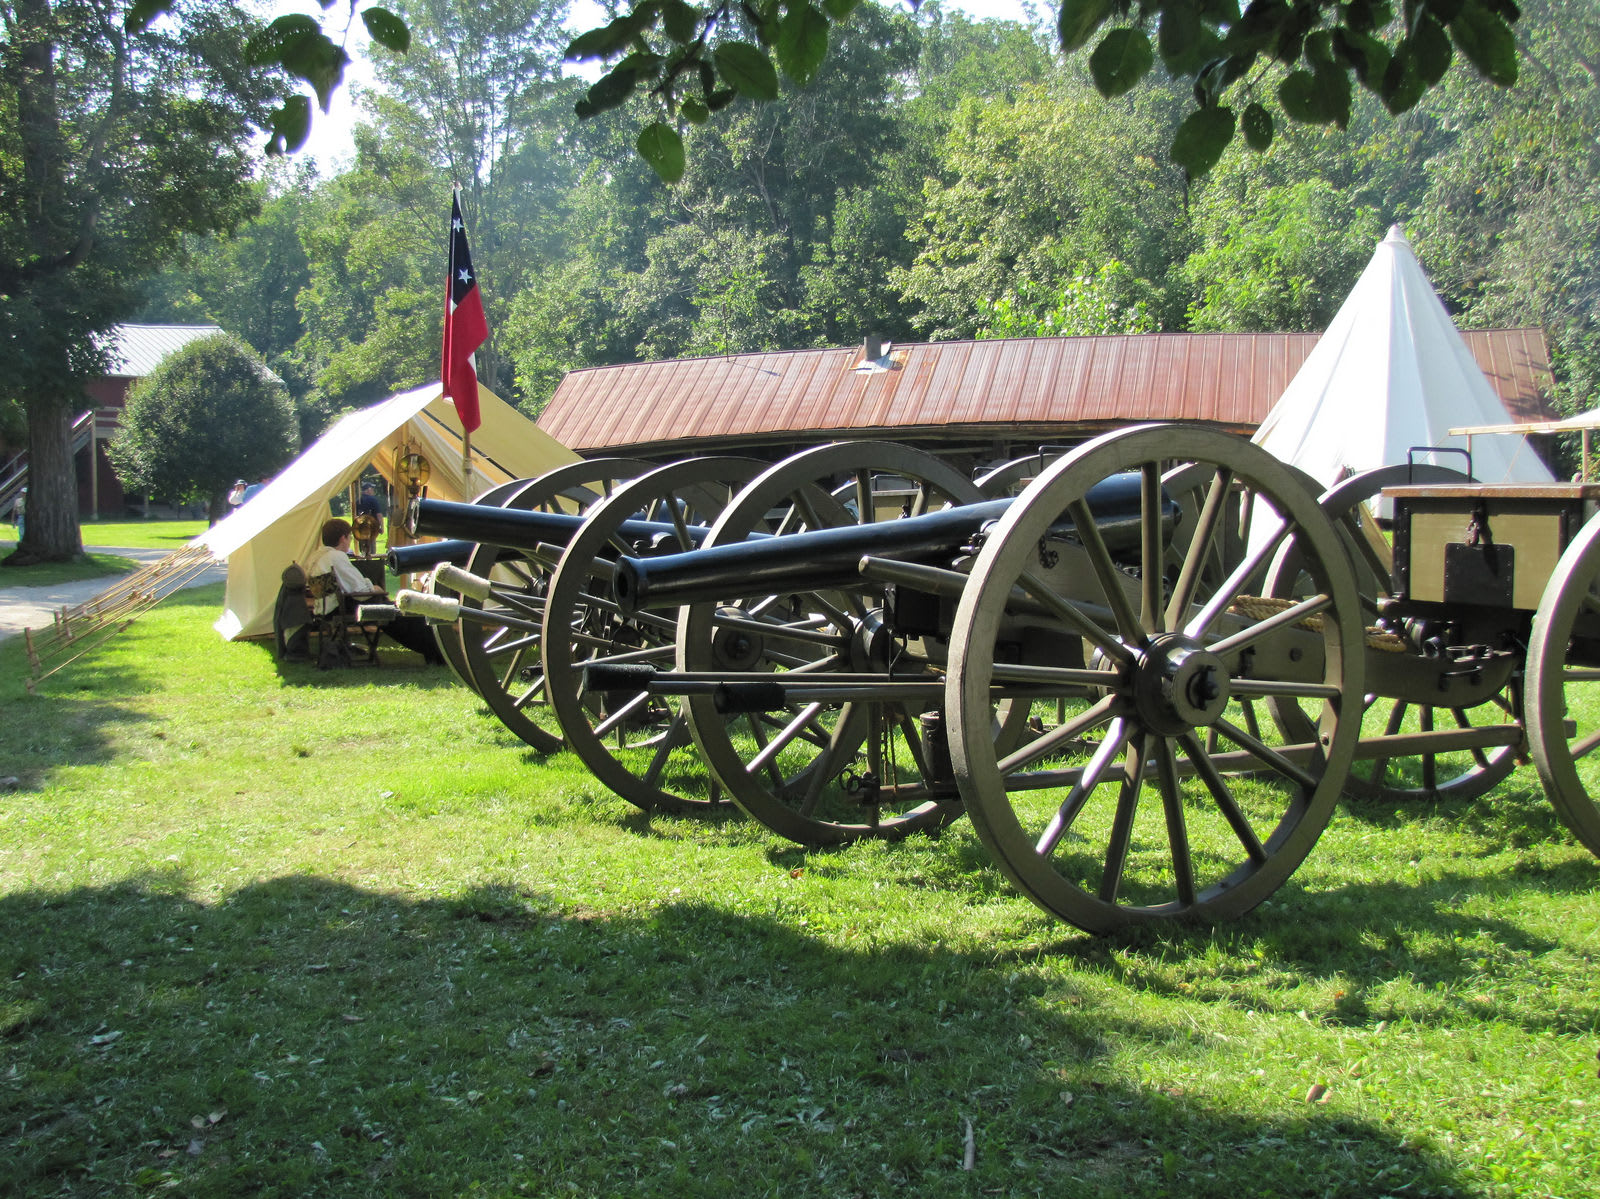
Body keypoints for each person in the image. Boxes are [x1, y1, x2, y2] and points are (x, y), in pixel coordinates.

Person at [305, 517, 443, 663]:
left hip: (325, 608)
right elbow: (360, 591)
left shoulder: (316, 556)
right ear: (342, 538)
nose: (350, 541)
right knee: (401, 617)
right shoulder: (336, 557)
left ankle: (434, 649)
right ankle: (435, 651)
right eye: (349, 537)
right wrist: (376, 589)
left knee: (398, 613)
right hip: (343, 608)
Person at [353, 480, 385, 557]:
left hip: (360, 529)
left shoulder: (357, 501)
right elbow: (379, 515)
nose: (373, 491)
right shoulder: (373, 500)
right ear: (368, 490)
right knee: (371, 551)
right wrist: (381, 527)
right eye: (372, 489)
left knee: (363, 551)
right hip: (371, 528)